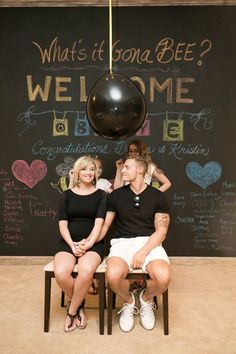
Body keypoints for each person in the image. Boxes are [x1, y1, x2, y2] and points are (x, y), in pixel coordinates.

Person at [98, 155, 170, 332]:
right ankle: (129, 301)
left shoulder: (158, 196)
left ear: (140, 169)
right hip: (123, 243)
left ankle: (145, 299)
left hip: (149, 242)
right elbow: (106, 225)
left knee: (163, 277)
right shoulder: (115, 196)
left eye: (127, 167)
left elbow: (161, 231)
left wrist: (143, 252)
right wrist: (88, 242)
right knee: (113, 275)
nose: (122, 170)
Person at [54, 155, 107, 332]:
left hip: (93, 244)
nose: (89, 172)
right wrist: (72, 245)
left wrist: (88, 244)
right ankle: (80, 303)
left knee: (86, 271)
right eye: (84, 169)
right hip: (68, 242)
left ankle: (72, 311)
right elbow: (62, 224)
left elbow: (99, 224)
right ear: (77, 171)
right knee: (61, 272)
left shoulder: (101, 195)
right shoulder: (66, 195)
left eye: (92, 169)